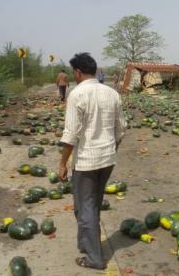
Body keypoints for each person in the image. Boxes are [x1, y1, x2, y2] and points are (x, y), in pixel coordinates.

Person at [59, 53, 126, 270]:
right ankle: (86, 243)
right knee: (92, 203)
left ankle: (94, 259)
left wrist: (62, 163)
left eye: (73, 73)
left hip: (87, 162)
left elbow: (70, 135)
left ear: (78, 72)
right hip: (107, 160)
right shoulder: (112, 93)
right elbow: (121, 129)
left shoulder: (76, 94)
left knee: (84, 207)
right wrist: (110, 149)